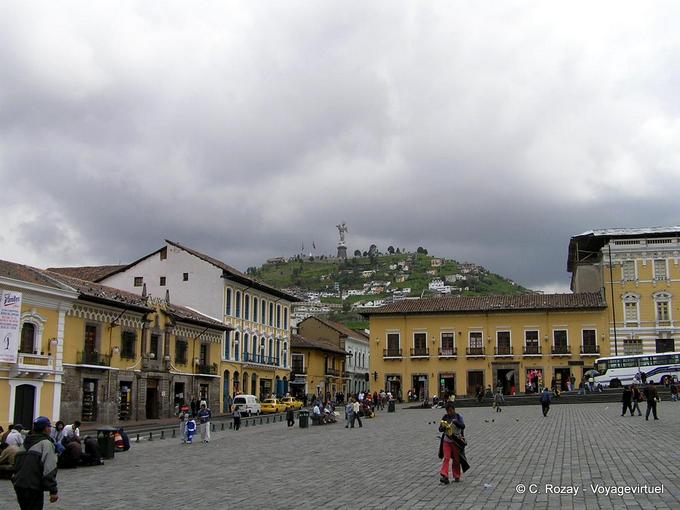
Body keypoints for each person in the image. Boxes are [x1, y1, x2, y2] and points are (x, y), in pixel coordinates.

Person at [12, 416, 59, 508]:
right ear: (46, 429)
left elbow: (16, 465)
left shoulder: (25, 443)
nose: (50, 429)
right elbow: (49, 468)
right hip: (33, 486)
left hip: (19, 484)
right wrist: (53, 490)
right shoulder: (46, 444)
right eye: (49, 427)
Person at [438, 404, 466, 484]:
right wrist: (444, 427)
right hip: (447, 440)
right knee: (446, 458)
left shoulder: (458, 416)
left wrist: (456, 422)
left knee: (456, 459)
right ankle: (444, 475)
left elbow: (463, 426)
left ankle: (456, 475)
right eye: (448, 411)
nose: (449, 412)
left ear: (454, 409)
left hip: (456, 441)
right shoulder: (445, 417)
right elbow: (440, 429)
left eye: (451, 410)